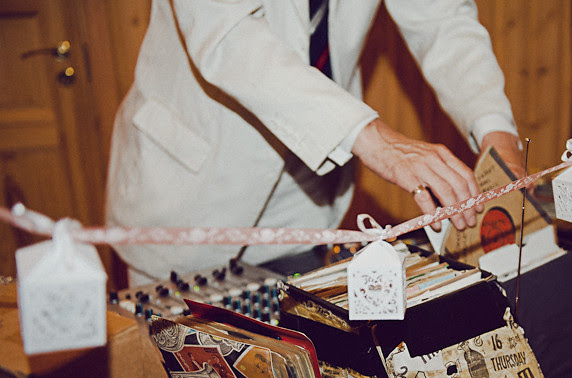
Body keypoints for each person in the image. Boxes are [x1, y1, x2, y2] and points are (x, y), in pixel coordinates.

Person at [105, 0, 523, 284]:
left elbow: (442, 19)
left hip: (304, 197)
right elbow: (229, 36)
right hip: (189, 190)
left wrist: (495, 131)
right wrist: (374, 139)